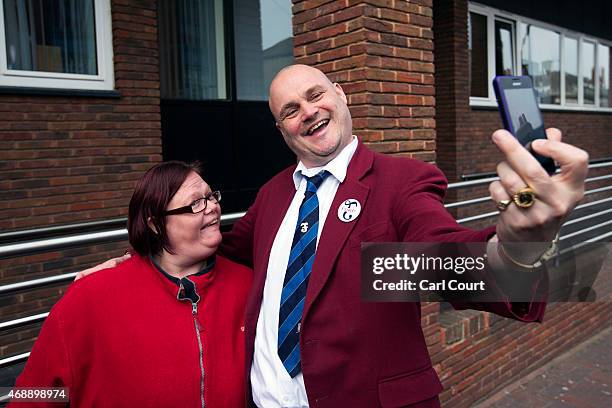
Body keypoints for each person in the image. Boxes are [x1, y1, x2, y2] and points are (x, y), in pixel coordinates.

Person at [79, 65, 588, 407]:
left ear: (340, 95)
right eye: (290, 110)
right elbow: (209, 253)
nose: (308, 112)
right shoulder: (274, 195)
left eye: (315, 95)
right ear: (282, 131)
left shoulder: (401, 182)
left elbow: (442, 263)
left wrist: (521, 240)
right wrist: (136, 260)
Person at [11, 161, 252, 407]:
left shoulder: (247, 285)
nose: (213, 207)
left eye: (211, 196)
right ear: (155, 224)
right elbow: (33, 393)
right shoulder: (89, 298)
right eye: (195, 203)